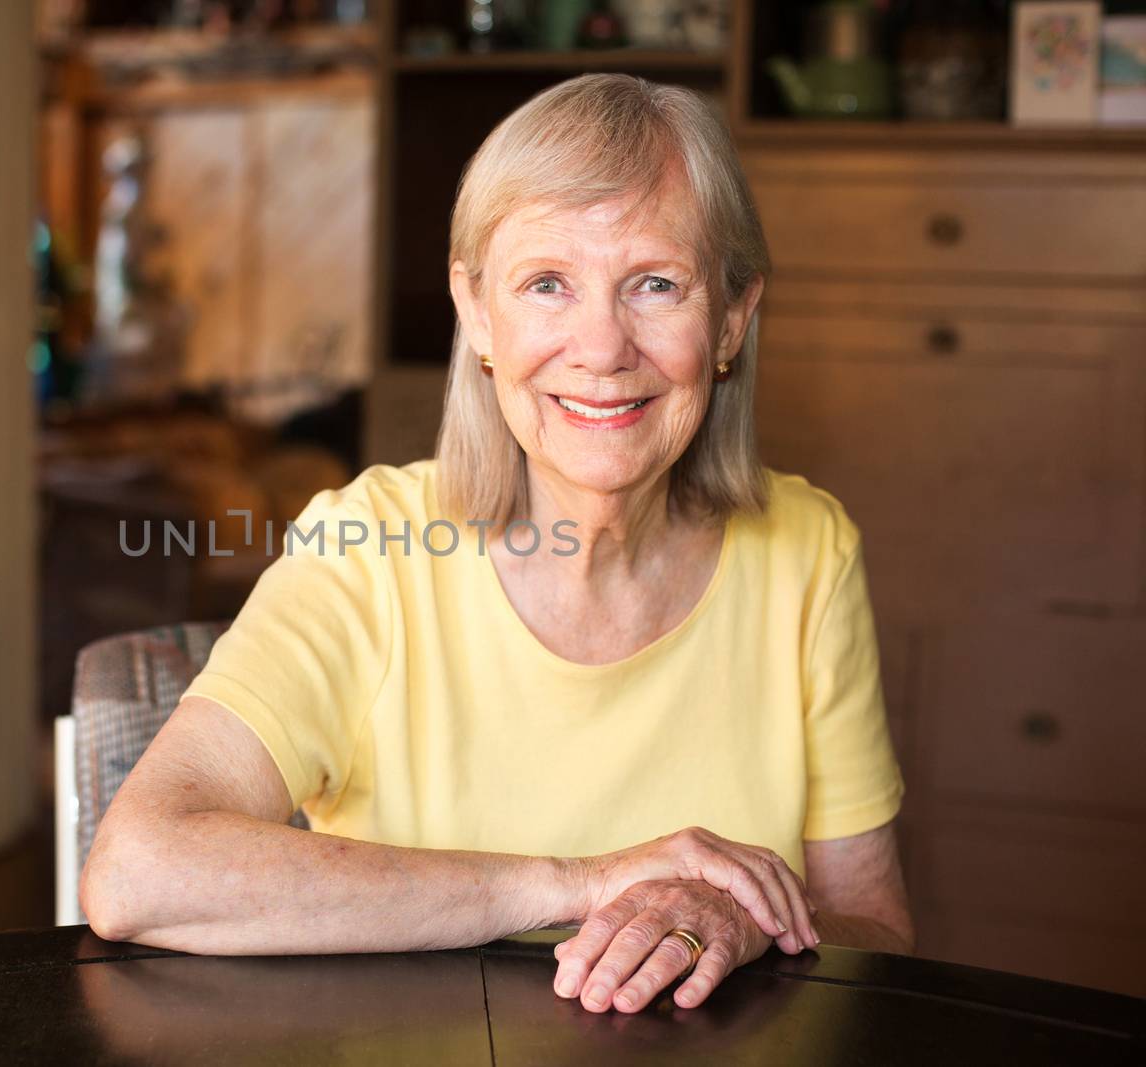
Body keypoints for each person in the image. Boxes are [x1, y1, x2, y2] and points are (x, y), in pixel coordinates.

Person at [80, 73, 912, 1016]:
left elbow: (876, 928)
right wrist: (577, 883)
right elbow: (139, 870)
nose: (602, 348)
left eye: (655, 284)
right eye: (547, 284)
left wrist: (756, 921)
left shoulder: (809, 551)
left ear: (730, 319)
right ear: (477, 314)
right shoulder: (369, 550)